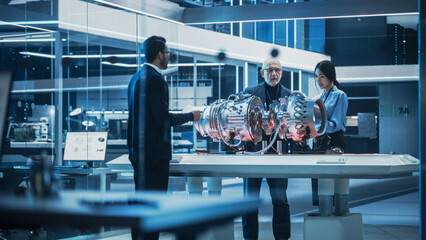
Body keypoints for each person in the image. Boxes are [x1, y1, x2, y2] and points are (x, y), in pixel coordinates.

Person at [127, 35, 202, 240]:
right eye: (167, 53)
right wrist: (191, 116)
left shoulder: (136, 78)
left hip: (138, 154)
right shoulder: (157, 80)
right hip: (154, 156)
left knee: (141, 207)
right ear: (160, 54)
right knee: (154, 207)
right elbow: (162, 118)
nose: (168, 57)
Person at [242, 58, 293, 240]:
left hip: (278, 155)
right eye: (269, 70)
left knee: (280, 201)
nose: (274, 73)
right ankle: (250, 238)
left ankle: (282, 237)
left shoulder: (290, 96)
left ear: (282, 72)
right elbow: (240, 119)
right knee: (249, 201)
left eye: (277, 70)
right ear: (262, 72)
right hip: (253, 154)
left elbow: (295, 127)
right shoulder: (250, 92)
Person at [311, 60, 349, 215]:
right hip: (320, 141)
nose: (318, 80)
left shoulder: (340, 96)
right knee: (320, 177)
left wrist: (317, 126)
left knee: (335, 179)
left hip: (334, 140)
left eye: (322, 76)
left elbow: (337, 123)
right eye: (316, 77)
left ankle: (340, 210)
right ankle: (323, 210)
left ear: (330, 76)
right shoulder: (319, 97)